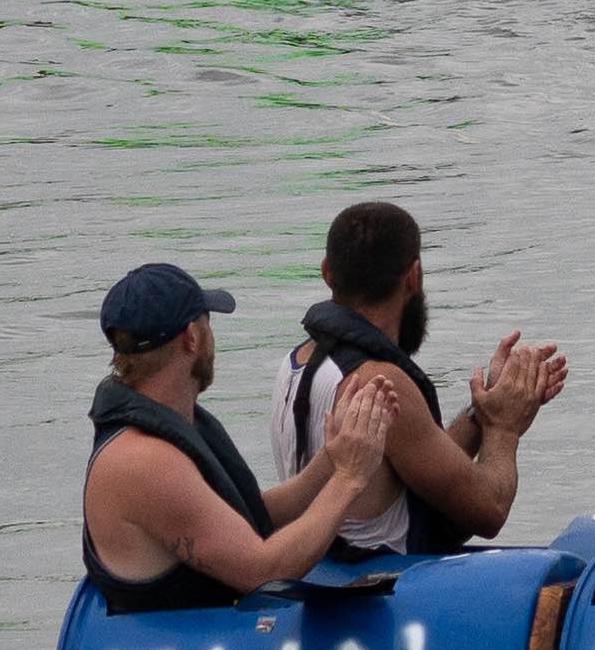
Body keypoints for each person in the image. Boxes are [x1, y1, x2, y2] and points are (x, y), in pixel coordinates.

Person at [78, 260, 406, 614]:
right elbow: (264, 572)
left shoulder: (172, 426)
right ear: (191, 337)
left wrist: (331, 458)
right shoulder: (143, 461)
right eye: (209, 323)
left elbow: (246, 518)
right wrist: (350, 478)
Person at [265, 197, 564, 556]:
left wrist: (482, 409)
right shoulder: (380, 381)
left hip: (316, 573)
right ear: (413, 276)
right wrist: (504, 428)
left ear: (327, 272)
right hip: (378, 591)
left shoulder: (296, 363)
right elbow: (490, 509)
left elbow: (413, 458)